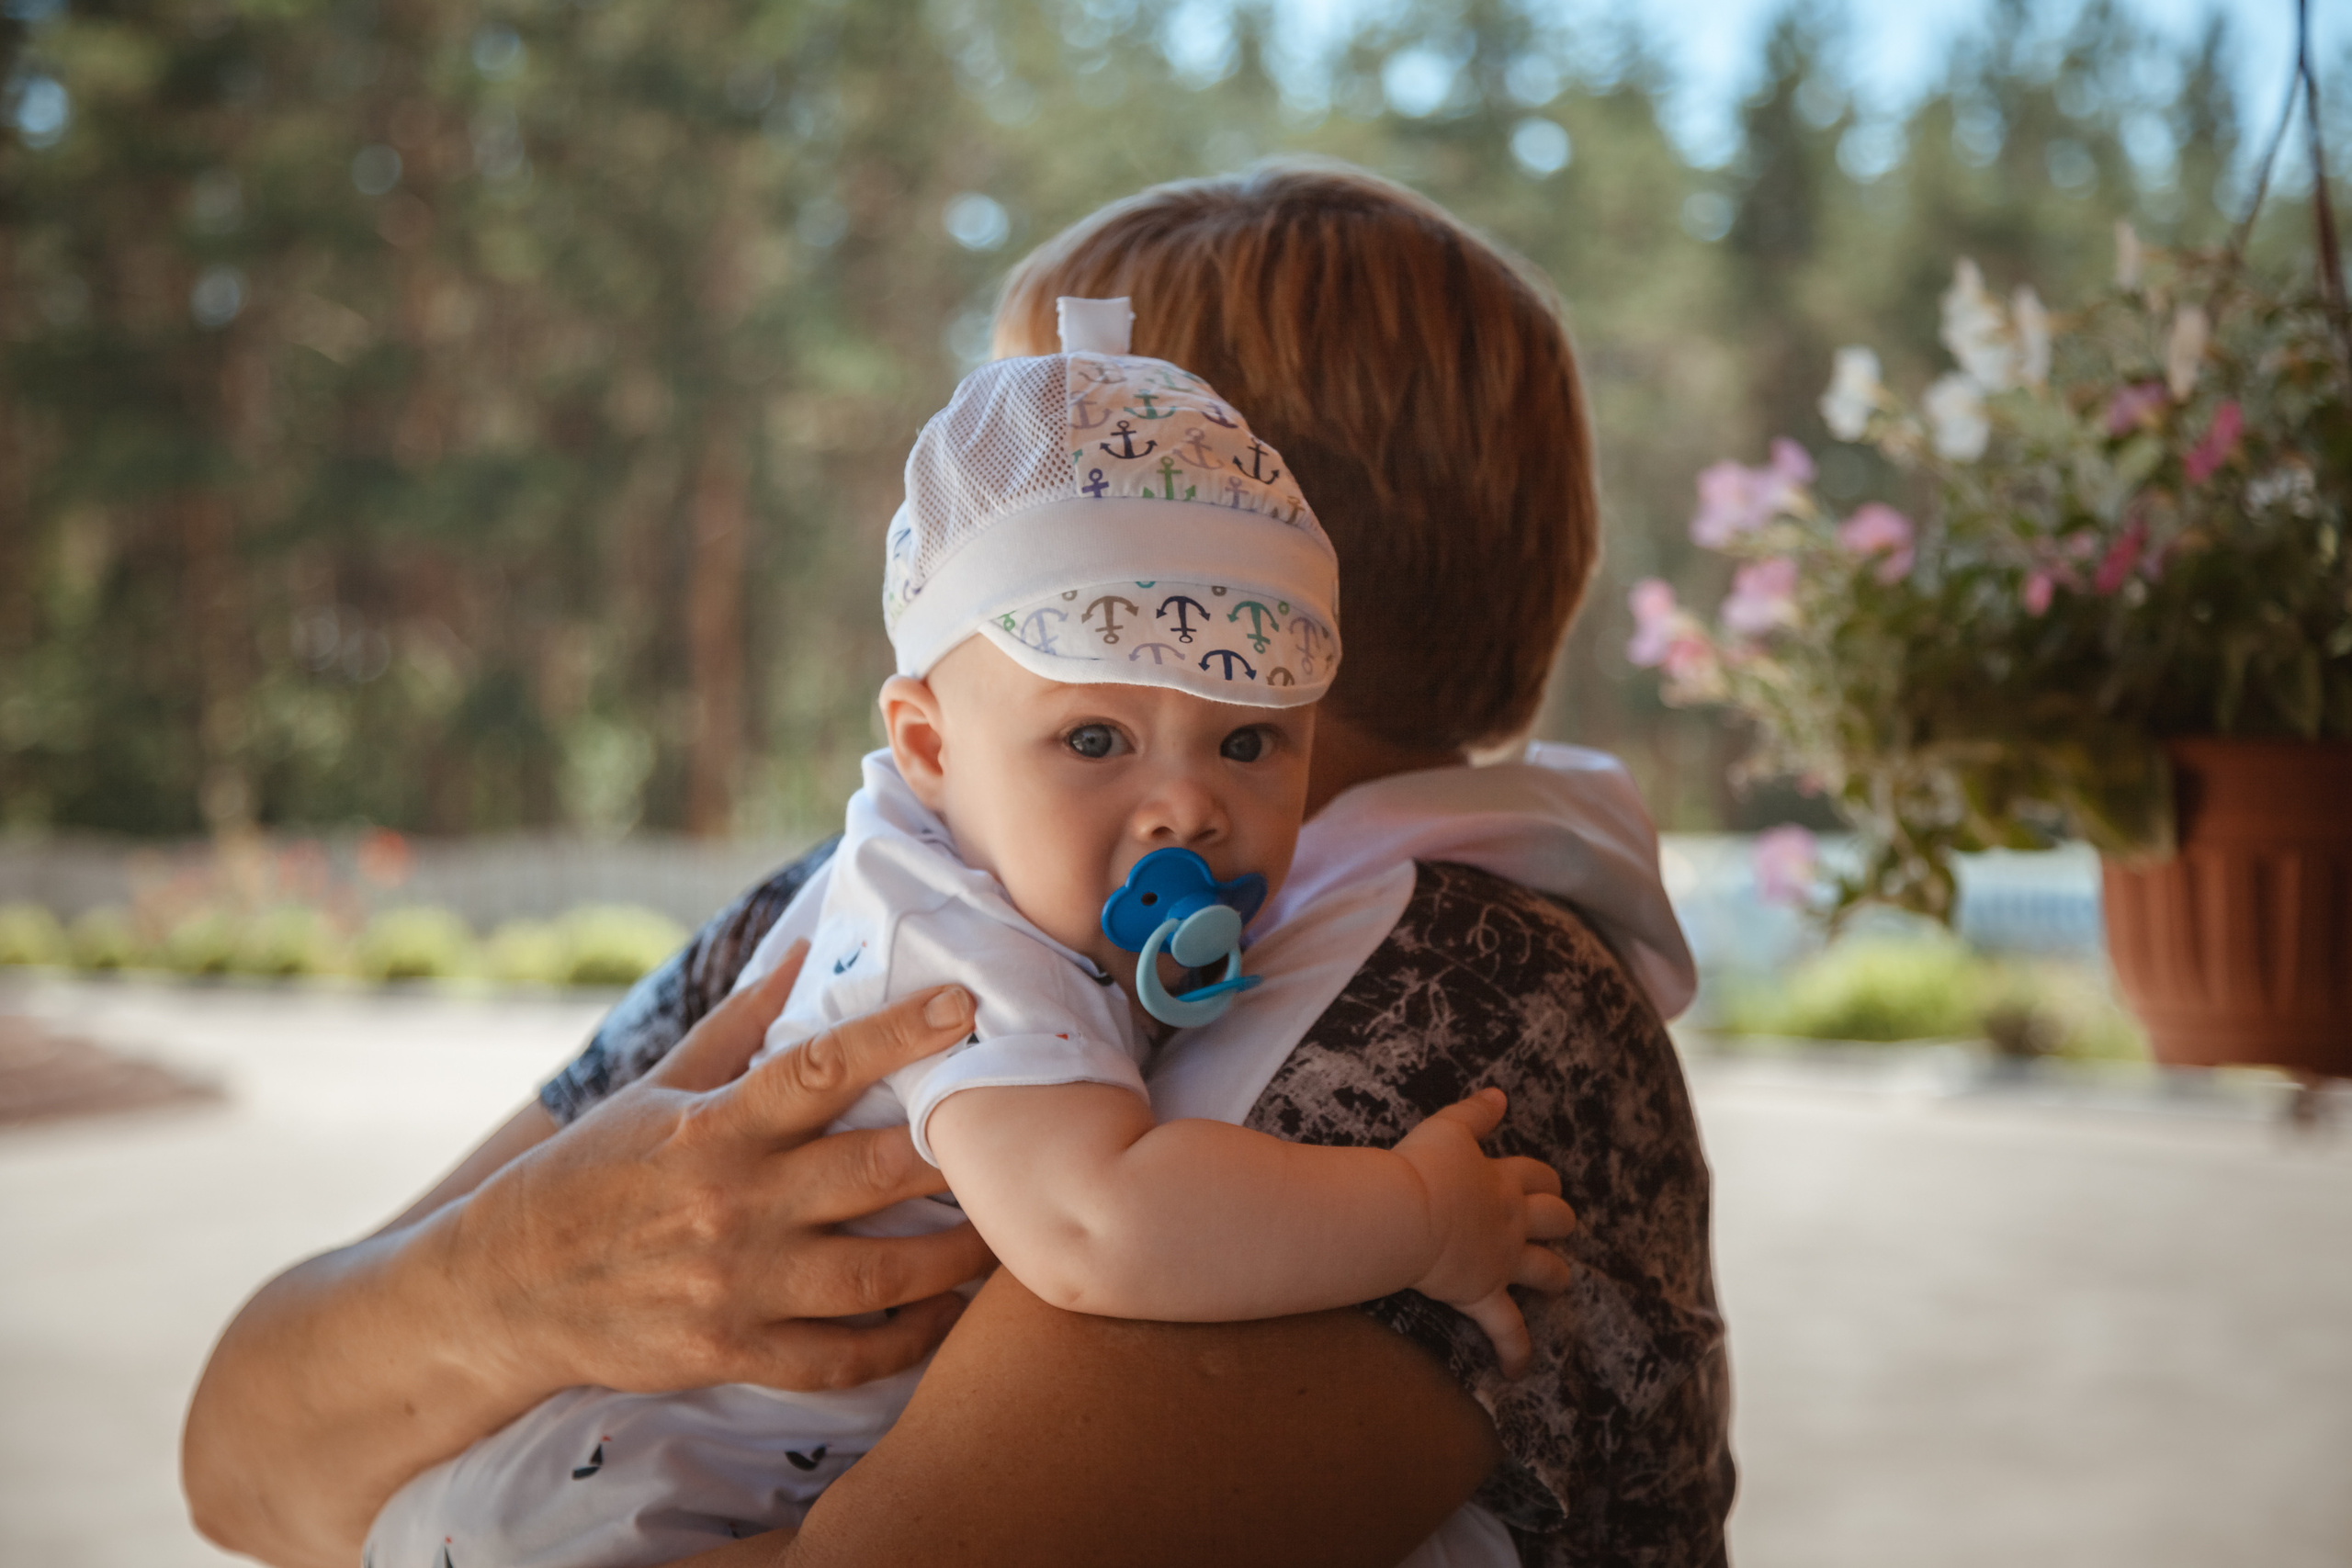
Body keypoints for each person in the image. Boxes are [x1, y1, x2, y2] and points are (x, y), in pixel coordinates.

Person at [186, 160, 1734, 1568]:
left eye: (1016, 439)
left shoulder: (1459, 991)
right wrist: (523, 1274)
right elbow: (240, 1459)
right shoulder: (878, 894)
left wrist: (469, 1333)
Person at [362, 307, 1575, 1564]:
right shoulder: (955, 954)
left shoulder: (974, 878)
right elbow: (1099, 1225)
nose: (1189, 805)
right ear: (930, 746)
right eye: (1095, 741)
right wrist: (1418, 1215)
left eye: (1250, 739)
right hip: (636, 1503)